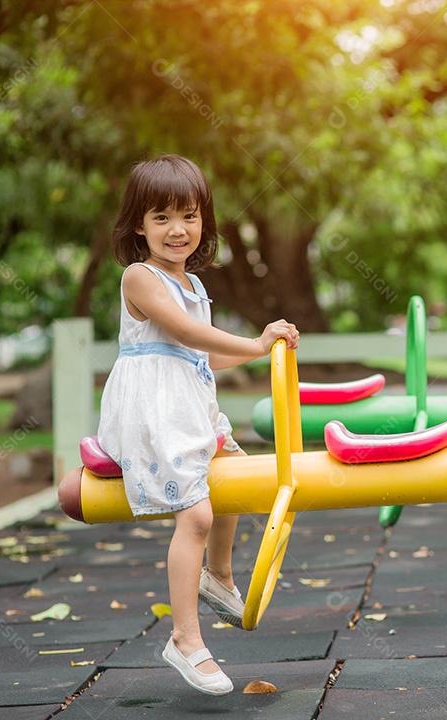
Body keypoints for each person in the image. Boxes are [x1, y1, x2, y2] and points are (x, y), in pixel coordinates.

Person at [79, 154, 298, 695]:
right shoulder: (140, 278)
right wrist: (255, 341)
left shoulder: (195, 285)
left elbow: (200, 357)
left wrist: (257, 352)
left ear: (204, 222)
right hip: (153, 414)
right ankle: (184, 638)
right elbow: (184, 333)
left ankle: (217, 575)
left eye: (189, 216)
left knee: (238, 482)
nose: (178, 230)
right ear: (138, 225)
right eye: (161, 218)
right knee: (196, 516)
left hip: (189, 406)